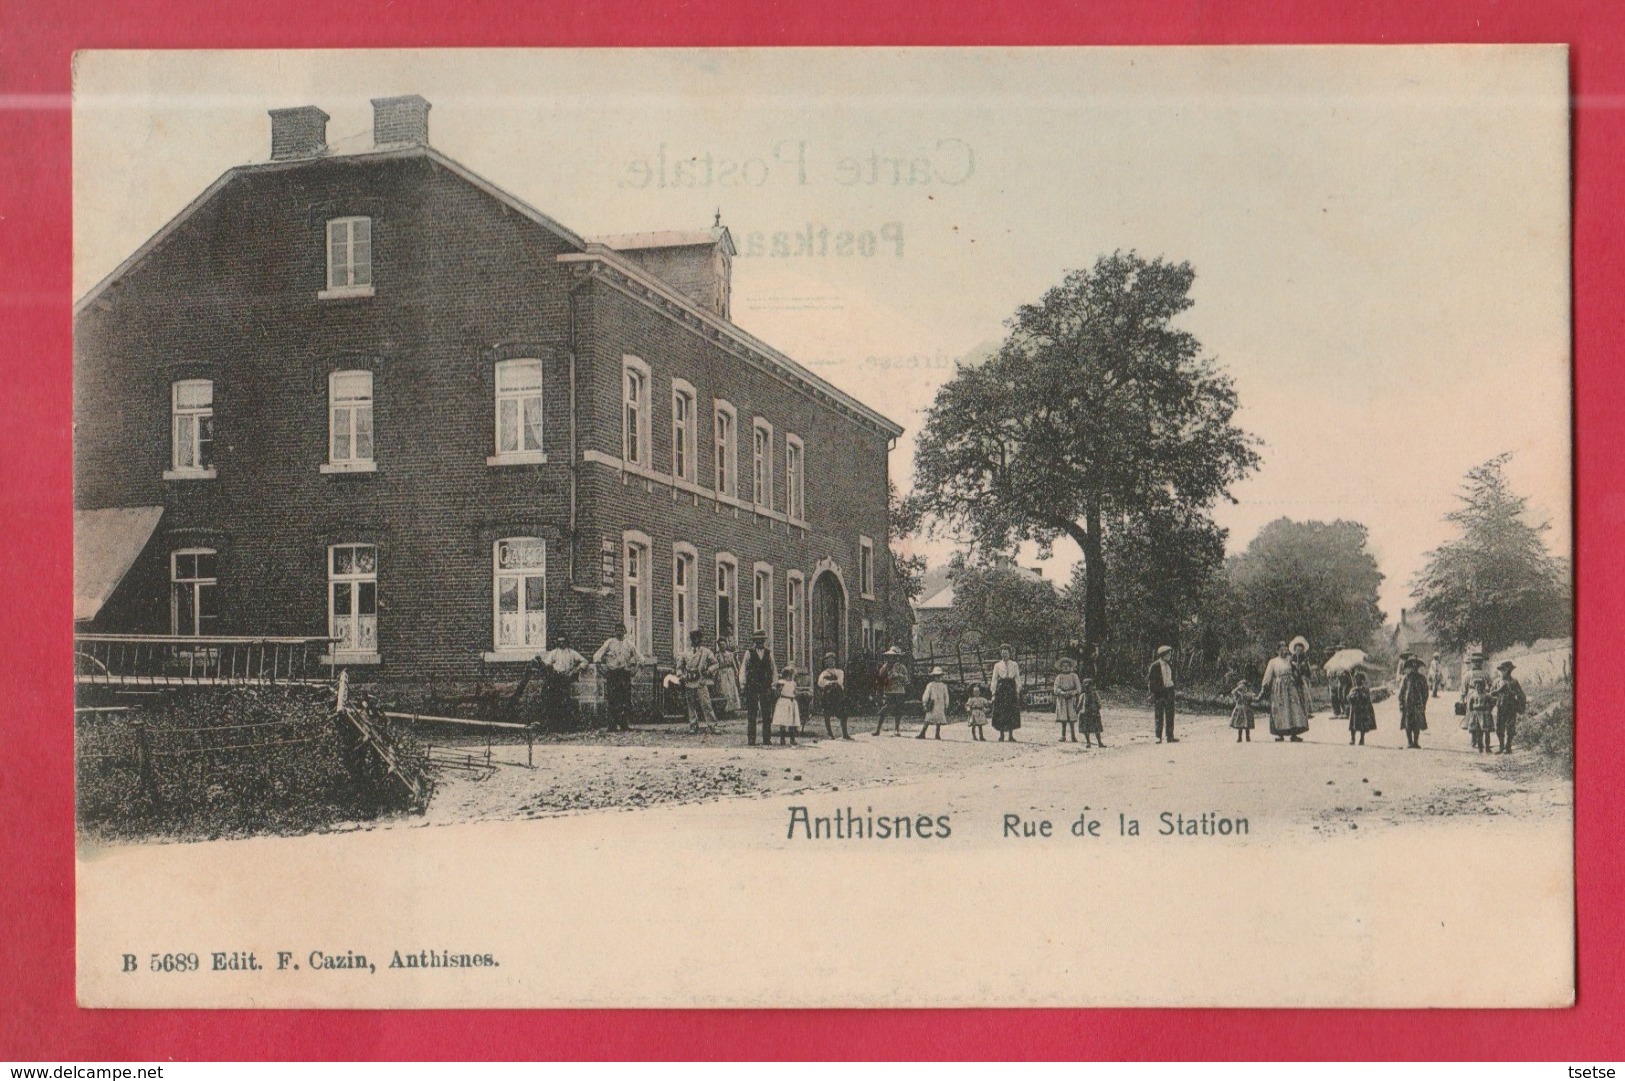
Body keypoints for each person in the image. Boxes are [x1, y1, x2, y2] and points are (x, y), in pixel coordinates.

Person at [592, 623, 647, 732]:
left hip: (624, 674)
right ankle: (611, 725)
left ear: (625, 631)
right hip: (613, 674)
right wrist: (602, 671)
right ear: (614, 631)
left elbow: (640, 658)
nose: (619, 632)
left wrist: (635, 670)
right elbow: (597, 656)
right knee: (613, 699)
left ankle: (624, 725)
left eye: (622, 630)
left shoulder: (629, 644)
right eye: (617, 630)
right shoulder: (610, 643)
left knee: (625, 699)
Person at [1259, 640, 1311, 742]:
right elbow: (1268, 675)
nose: (1284, 652)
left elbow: (1298, 670)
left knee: (1293, 710)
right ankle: (1280, 734)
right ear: (1277, 651)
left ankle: (1294, 734)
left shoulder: (1290, 659)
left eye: (1285, 649)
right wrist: (1264, 687)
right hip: (1279, 689)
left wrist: (1300, 666)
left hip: (1291, 687)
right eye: (1281, 650)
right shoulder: (1273, 661)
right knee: (1280, 710)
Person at [540, 633, 589, 729]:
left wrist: (575, 670)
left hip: (566, 678)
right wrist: (545, 665)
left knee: (565, 700)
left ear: (566, 642)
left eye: (563, 641)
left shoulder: (572, 653)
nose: (561, 643)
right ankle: (554, 724)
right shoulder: (554, 652)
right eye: (559, 642)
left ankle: (566, 724)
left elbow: (585, 661)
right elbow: (547, 663)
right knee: (555, 700)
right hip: (555, 678)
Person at [676, 629, 721, 735]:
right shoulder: (686, 653)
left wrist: (709, 670)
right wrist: (681, 675)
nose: (697, 641)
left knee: (706, 703)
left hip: (701, 680)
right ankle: (693, 725)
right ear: (691, 640)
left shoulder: (706, 652)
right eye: (694, 638)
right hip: (689, 681)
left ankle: (713, 725)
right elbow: (679, 667)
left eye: (698, 638)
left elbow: (716, 663)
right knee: (691, 704)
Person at [740, 631, 777, 747]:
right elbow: (743, 669)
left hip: (765, 686)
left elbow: (773, 669)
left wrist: (773, 685)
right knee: (752, 713)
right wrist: (743, 684)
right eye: (757, 641)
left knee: (766, 713)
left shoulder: (768, 653)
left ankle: (767, 739)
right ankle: (751, 739)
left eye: (761, 641)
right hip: (752, 686)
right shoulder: (749, 653)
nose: (759, 643)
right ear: (754, 642)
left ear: (764, 642)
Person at [873, 646, 912, 736]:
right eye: (889, 656)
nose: (890, 658)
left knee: (898, 710)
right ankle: (878, 729)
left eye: (892, 656)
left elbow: (907, 680)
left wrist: (898, 675)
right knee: (885, 709)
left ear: (896, 657)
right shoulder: (884, 667)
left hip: (899, 691)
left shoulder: (901, 667)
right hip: (888, 690)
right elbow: (880, 679)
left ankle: (896, 729)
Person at [1492, 660, 1527, 754]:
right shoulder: (1497, 681)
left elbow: (1521, 694)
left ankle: (1508, 746)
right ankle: (1501, 746)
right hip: (1500, 706)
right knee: (1499, 726)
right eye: (1502, 670)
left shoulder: (1514, 681)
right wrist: (1499, 691)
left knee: (1511, 727)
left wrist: (1514, 694)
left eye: (1506, 670)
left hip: (1511, 706)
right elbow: (1491, 694)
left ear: (1510, 671)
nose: (1504, 672)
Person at [990, 645, 1023, 742]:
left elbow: (1017, 677)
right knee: (1001, 711)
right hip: (1001, 688)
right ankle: (1001, 735)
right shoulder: (997, 665)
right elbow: (994, 679)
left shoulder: (1014, 664)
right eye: (1003, 653)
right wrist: (993, 692)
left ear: (1010, 653)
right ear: (1001, 653)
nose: (1004, 655)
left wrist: (1018, 690)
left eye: (1006, 653)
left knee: (1011, 710)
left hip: (1011, 687)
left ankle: (1011, 735)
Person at [816, 652, 851, 740]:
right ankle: (830, 734)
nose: (831, 662)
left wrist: (828, 682)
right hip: (828, 696)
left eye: (832, 660)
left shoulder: (839, 672)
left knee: (843, 714)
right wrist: (831, 682)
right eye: (828, 661)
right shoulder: (823, 673)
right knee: (827, 714)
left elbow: (840, 682)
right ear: (826, 662)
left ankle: (845, 734)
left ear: (835, 662)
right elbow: (820, 683)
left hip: (838, 696)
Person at [1146, 645, 1178, 744]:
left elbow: (1173, 678)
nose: (1170, 655)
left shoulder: (1170, 665)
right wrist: (1153, 693)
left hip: (1169, 692)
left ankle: (1170, 736)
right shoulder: (1155, 665)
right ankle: (1158, 736)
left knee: (1170, 714)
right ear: (1163, 655)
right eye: (1168, 654)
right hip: (1159, 693)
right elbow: (1151, 681)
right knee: (1159, 715)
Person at [1398, 655, 1430, 749]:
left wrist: (1424, 703)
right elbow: (1401, 692)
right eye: (1413, 666)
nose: (1414, 668)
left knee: (1417, 723)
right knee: (1408, 723)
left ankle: (1416, 742)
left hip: (1418, 704)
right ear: (1410, 667)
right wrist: (1401, 704)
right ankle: (1409, 741)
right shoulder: (1406, 678)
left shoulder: (1422, 678)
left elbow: (1426, 692)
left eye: (1416, 666)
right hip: (1408, 704)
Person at [1053, 656, 1082, 743]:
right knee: (1063, 718)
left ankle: (1073, 736)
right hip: (1062, 699)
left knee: (1072, 718)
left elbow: (1079, 688)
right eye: (1063, 666)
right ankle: (1063, 736)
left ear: (1070, 667)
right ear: (1061, 667)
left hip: (1071, 698)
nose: (1065, 667)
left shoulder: (1074, 676)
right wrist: (1062, 692)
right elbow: (1055, 688)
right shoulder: (1059, 677)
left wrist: (1072, 693)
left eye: (1067, 665)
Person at [917, 666, 951, 740]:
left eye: (939, 676)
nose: (938, 678)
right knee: (928, 718)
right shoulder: (930, 685)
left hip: (940, 704)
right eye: (936, 676)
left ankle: (937, 734)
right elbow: (926, 694)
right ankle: (923, 733)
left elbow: (946, 695)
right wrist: (925, 703)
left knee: (939, 719)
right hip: (933, 704)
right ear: (933, 676)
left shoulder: (943, 686)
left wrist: (946, 704)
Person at [771, 666, 802, 746]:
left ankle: (792, 739)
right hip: (784, 702)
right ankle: (782, 739)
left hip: (791, 702)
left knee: (792, 721)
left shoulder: (793, 683)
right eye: (791, 675)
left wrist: (797, 693)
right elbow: (778, 692)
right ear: (786, 675)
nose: (792, 676)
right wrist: (777, 690)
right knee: (783, 721)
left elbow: (794, 691)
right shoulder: (782, 682)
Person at [715, 636, 743, 716]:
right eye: (720, 645)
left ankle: (731, 709)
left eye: (723, 644)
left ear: (726, 645)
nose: (722, 646)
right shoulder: (717, 655)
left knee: (731, 690)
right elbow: (715, 664)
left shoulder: (730, 654)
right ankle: (723, 710)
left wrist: (737, 674)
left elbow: (734, 664)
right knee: (723, 691)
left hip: (730, 673)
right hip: (721, 673)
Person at [1465, 676, 1494, 754]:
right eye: (1477, 686)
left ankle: (1487, 747)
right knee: (1479, 732)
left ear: (1483, 686)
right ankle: (1480, 747)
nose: (1478, 687)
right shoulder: (1473, 696)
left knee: (1487, 731)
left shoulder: (1487, 695)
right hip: (1476, 715)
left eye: (1480, 685)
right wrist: (1473, 711)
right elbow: (1469, 706)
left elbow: (1492, 704)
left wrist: (1488, 710)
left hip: (1485, 714)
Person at [1347, 671, 1377, 745]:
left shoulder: (1365, 689)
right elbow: (1348, 699)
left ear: (1362, 680)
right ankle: (1352, 738)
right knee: (1352, 724)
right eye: (1356, 679)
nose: (1357, 681)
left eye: (1359, 679)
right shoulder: (1353, 690)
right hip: (1354, 710)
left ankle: (1362, 738)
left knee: (1362, 724)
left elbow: (1367, 699)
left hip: (1362, 709)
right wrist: (1352, 696)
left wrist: (1361, 696)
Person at [1079, 677, 1104, 748]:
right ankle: (1088, 742)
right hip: (1085, 714)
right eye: (1086, 686)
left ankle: (1099, 742)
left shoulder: (1095, 694)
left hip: (1094, 714)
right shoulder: (1083, 695)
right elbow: (1080, 705)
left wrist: (1097, 708)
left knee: (1097, 729)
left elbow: (1099, 703)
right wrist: (1078, 710)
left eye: (1089, 686)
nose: (1087, 688)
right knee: (1086, 730)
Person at [1231, 678, 1256, 743]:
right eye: (1242, 687)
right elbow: (1233, 692)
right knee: (1240, 725)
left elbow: (1254, 698)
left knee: (1247, 724)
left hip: (1247, 710)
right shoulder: (1237, 694)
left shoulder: (1249, 694)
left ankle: (1247, 737)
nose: (1243, 688)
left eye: (1245, 686)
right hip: (1239, 710)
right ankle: (1239, 737)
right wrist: (1238, 688)